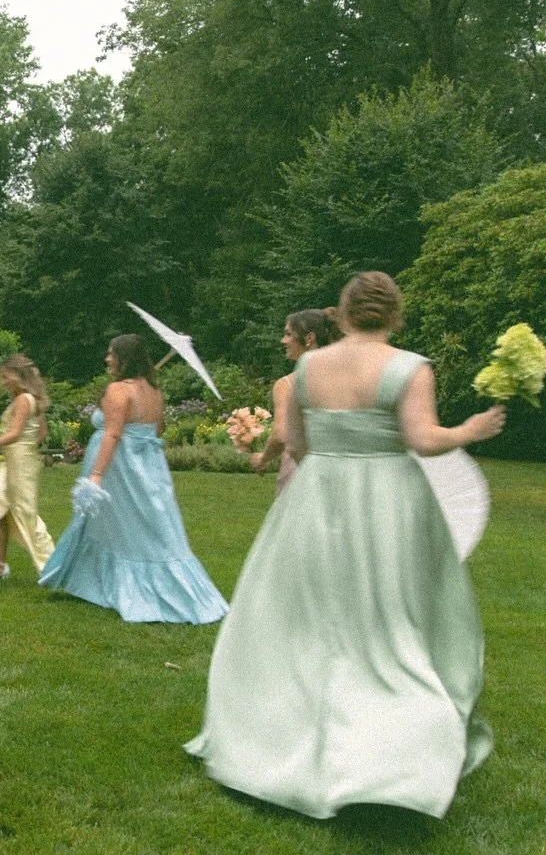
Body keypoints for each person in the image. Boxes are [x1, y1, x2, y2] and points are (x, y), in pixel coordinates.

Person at [185, 271, 506, 819]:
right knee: (386, 619)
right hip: (390, 503)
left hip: (315, 497)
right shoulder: (410, 367)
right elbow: (424, 441)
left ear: (344, 312)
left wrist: (329, 480)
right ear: (395, 314)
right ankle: (394, 754)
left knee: (313, 617)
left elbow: (300, 444)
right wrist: (471, 430)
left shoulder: (310, 366)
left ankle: (291, 733)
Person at [38, 334, 228, 624]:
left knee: (123, 527)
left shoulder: (117, 390)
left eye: (111, 354)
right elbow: (158, 430)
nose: (107, 359)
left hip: (120, 470)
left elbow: (113, 433)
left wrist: (96, 476)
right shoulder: (154, 391)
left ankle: (129, 589)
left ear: (124, 359)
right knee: (141, 527)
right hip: (148, 467)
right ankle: (99, 583)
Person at [0, 354, 56, 578]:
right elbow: (41, 434)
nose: (2, 382)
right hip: (18, 462)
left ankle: (54, 564)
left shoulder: (24, 399)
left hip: (19, 465)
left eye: (6, 377)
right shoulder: (30, 399)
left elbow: (14, 434)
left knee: (26, 514)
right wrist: (23, 448)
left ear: (18, 376)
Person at [250, 308, 341, 491]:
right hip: (340, 473)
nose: (283, 340)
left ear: (309, 338)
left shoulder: (288, 384)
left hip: (302, 474)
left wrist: (263, 458)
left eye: (288, 334)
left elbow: (282, 435)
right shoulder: (346, 380)